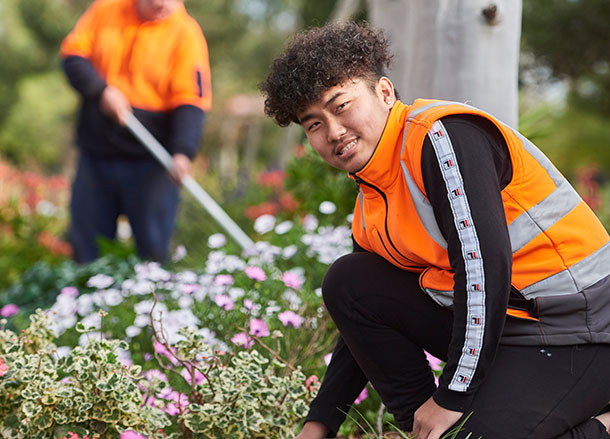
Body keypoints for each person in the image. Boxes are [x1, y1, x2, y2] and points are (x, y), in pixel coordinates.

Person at [260, 22, 610, 439]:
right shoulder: (372, 200)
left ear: (385, 93)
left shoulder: (442, 139)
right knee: (349, 281)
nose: (333, 131)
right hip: (511, 330)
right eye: (313, 123)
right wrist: (320, 423)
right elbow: (361, 322)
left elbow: (485, 271)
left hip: (583, 330)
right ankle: (426, 432)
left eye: (340, 106)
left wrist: (452, 396)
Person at [60, 0, 212, 263]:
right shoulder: (105, 10)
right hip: (96, 154)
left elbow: (192, 100)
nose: (164, 4)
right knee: (88, 251)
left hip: (152, 162)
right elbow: (73, 56)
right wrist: (101, 91)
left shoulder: (186, 34)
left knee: (152, 253)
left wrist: (183, 151)